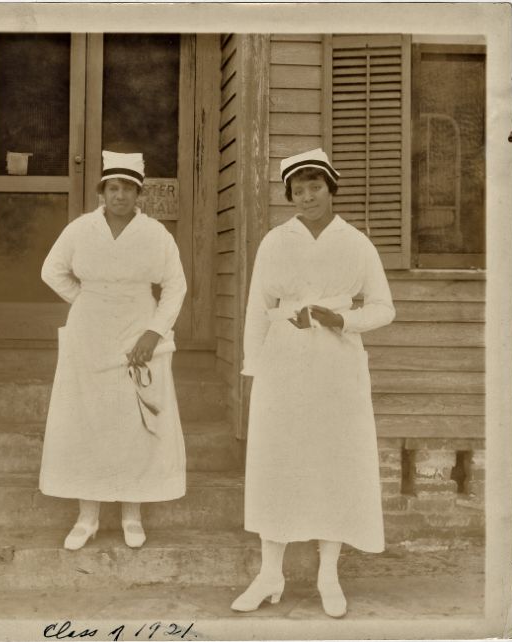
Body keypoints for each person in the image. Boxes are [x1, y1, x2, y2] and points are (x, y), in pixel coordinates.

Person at [231, 149, 395, 618]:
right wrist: (252, 367)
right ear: (290, 195)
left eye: (314, 187)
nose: (306, 197)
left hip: (337, 366)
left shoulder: (356, 243)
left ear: (330, 188)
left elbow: (384, 307)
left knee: (333, 461)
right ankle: (269, 574)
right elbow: (256, 307)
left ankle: (328, 574)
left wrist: (341, 318)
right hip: (283, 362)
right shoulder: (275, 242)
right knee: (278, 461)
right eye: (297, 190)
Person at [39, 151, 187, 550]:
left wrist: (154, 332)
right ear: (102, 191)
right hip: (89, 334)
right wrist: (86, 301)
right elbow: (51, 270)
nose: (120, 195)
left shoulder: (155, 234)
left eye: (128, 188)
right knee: (89, 420)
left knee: (133, 423)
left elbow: (175, 285)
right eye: (113, 187)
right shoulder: (80, 230)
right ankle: (87, 516)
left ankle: (131, 514)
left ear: (139, 193)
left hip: (139, 330)